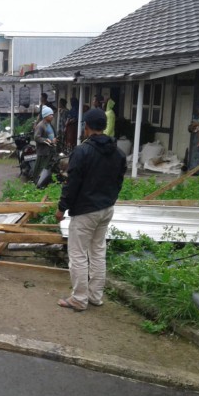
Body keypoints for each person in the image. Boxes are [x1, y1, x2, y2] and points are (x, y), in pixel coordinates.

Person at [55, 108, 127, 311]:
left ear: (86, 127)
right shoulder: (118, 152)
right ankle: (95, 296)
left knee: (78, 254)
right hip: (106, 208)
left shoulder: (82, 151)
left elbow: (72, 182)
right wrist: (110, 198)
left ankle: (79, 299)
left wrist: (62, 208)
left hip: (86, 211)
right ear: (104, 126)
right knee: (97, 252)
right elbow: (119, 180)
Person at [33, 106, 57, 180]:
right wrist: (47, 140)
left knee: (47, 167)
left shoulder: (49, 124)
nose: (52, 116)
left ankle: (45, 182)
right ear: (45, 115)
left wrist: (54, 140)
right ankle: (37, 182)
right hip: (43, 151)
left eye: (52, 115)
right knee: (41, 169)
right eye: (50, 115)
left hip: (50, 150)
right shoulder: (40, 125)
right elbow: (36, 137)